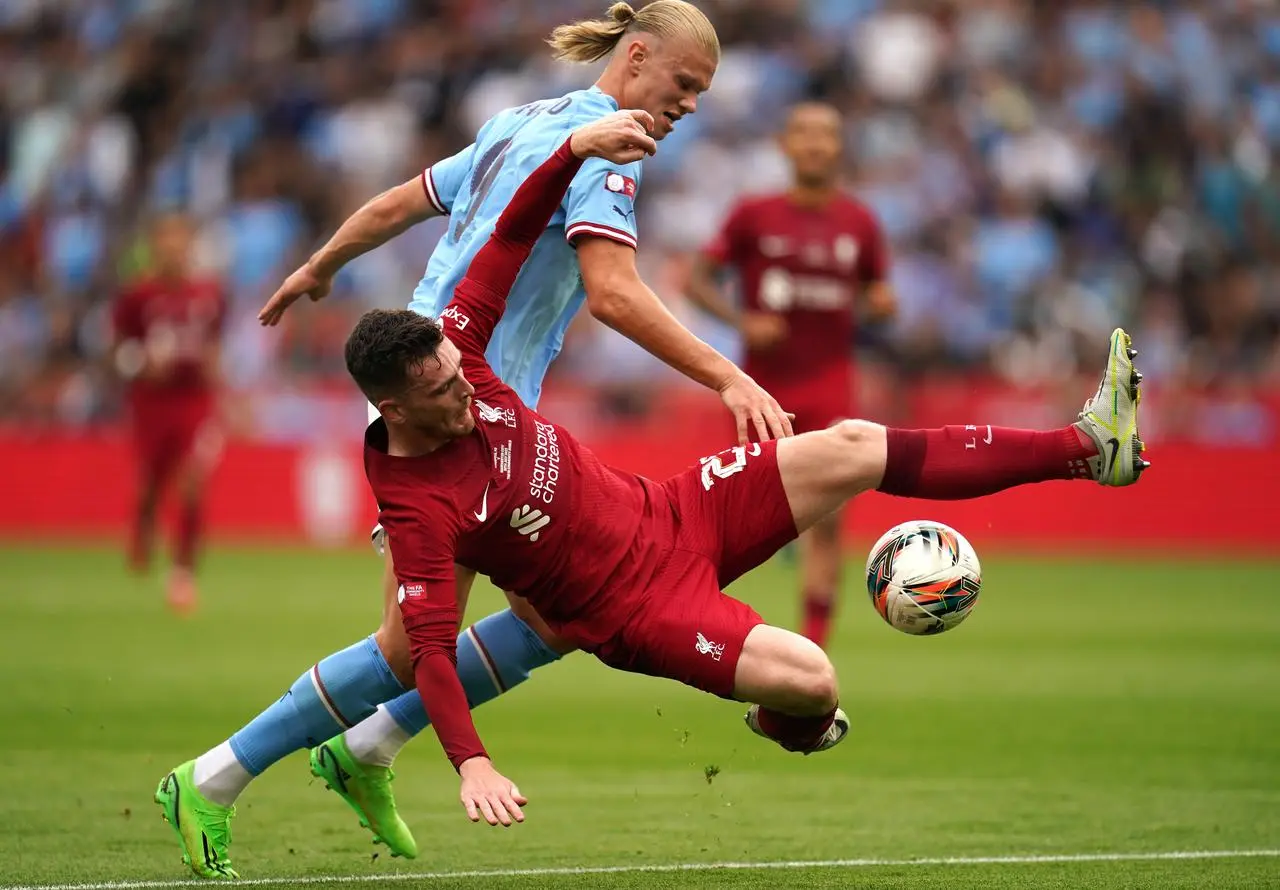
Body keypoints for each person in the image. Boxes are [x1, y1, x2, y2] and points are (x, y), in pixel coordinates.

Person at [344, 117, 1146, 830]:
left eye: (456, 367)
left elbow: (512, 237)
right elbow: (433, 651)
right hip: (640, 610)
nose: (464, 387)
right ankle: (783, 725)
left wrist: (572, 151)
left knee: (854, 443)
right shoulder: (415, 506)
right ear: (394, 407)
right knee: (813, 680)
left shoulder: (461, 344)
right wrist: (471, 762)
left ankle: (1085, 449)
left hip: (676, 510)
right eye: (445, 389)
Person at [155, 2, 791, 879]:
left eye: (700, 94)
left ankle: (367, 747)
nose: (688, 107)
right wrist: (727, 374)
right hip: (455, 409)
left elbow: (401, 202)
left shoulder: (519, 120)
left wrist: (322, 265)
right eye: (683, 86)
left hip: (448, 384)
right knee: (402, 644)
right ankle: (213, 778)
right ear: (637, 58)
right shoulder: (607, 154)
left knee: (555, 615)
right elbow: (611, 291)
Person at [687, 101, 896, 648]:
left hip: (831, 389)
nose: (815, 144)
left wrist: (879, 303)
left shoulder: (860, 222)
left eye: (826, 135)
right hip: (761, 394)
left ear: (839, 147)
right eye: (803, 133)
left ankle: (813, 648)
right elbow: (694, 279)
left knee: (829, 522)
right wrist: (741, 322)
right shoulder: (754, 214)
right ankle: (699, 630)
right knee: (729, 520)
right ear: (784, 145)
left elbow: (879, 293)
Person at [111, 211, 225, 614]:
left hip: (195, 399)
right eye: (167, 240)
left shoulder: (208, 293)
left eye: (181, 240)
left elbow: (214, 341)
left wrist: (215, 365)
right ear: (155, 245)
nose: (175, 249)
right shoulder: (137, 295)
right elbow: (117, 349)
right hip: (152, 402)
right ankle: (142, 528)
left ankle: (182, 573)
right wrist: (140, 363)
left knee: (193, 480)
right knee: (152, 486)